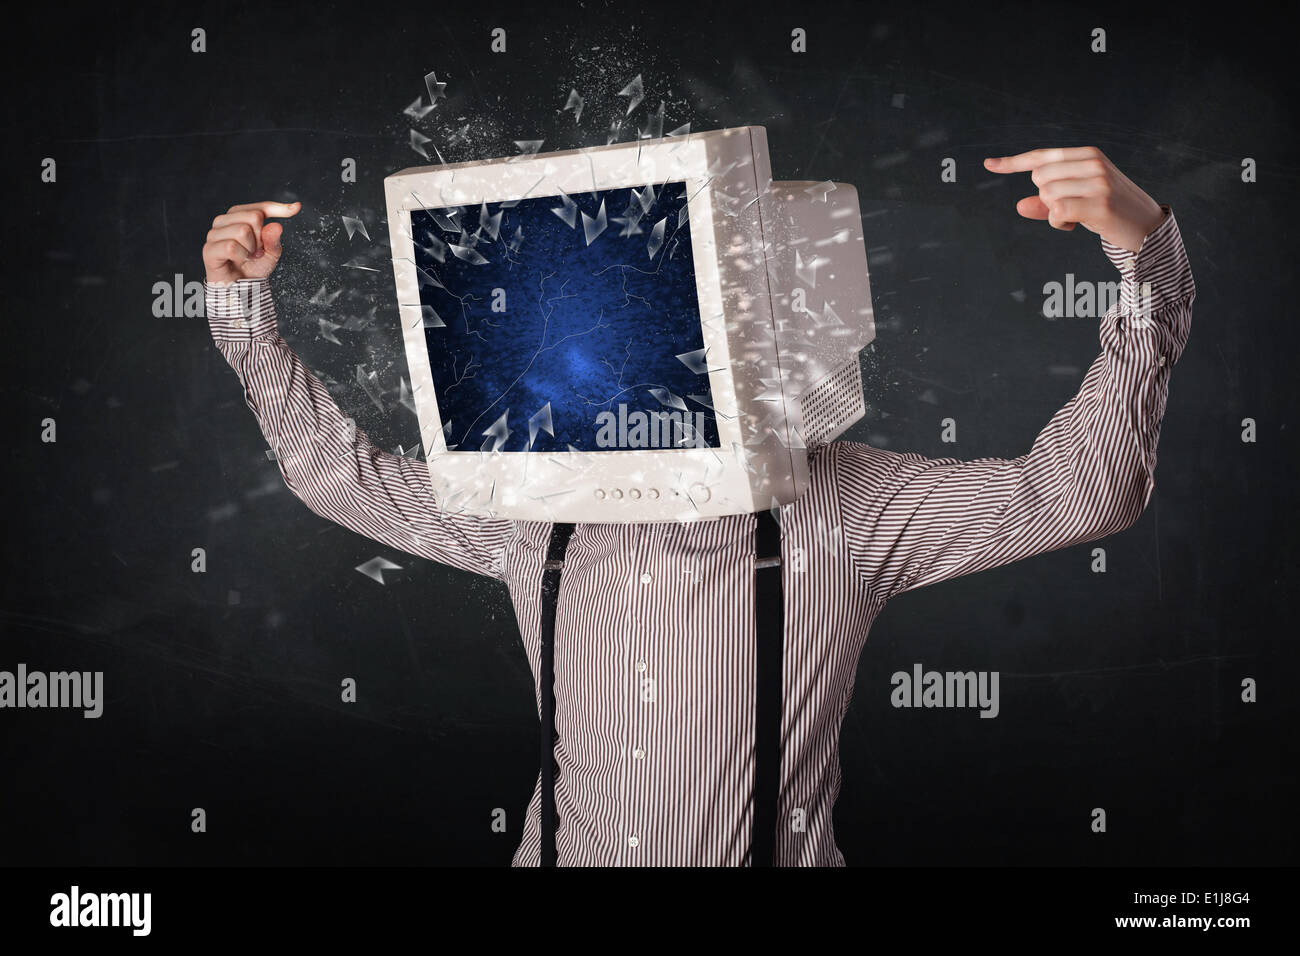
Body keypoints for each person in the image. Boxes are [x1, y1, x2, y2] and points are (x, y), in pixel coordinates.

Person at [201, 147, 1195, 866]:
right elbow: (339, 476)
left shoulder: (837, 505)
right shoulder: (528, 506)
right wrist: (244, 311)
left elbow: (1083, 489)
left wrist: (1145, 259)